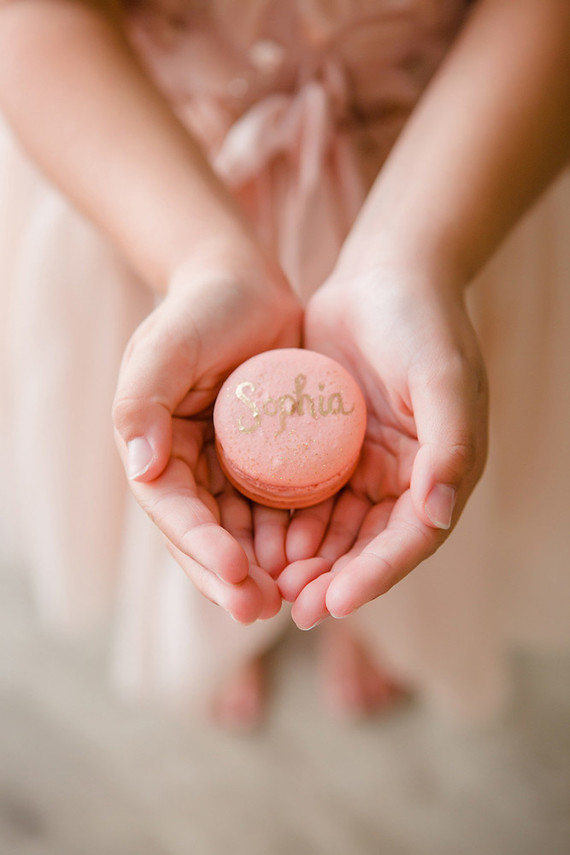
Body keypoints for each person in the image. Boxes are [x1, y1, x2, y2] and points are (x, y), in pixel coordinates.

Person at [0, 0, 569, 729]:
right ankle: (254, 612)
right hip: (154, 175)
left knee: (403, 455)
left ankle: (346, 614)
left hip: (453, 168)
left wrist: (419, 256)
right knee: (202, 491)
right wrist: (203, 259)